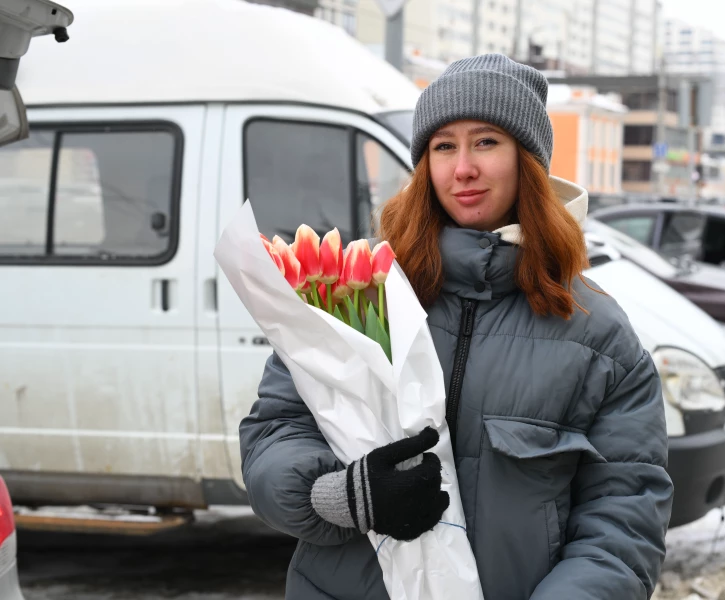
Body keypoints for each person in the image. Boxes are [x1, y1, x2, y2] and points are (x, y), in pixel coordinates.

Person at [240, 54, 674, 600]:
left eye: (486, 142)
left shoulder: (598, 336)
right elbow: (274, 433)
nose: (462, 168)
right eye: (443, 146)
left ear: (528, 162)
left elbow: (623, 518)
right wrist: (339, 497)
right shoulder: (356, 288)